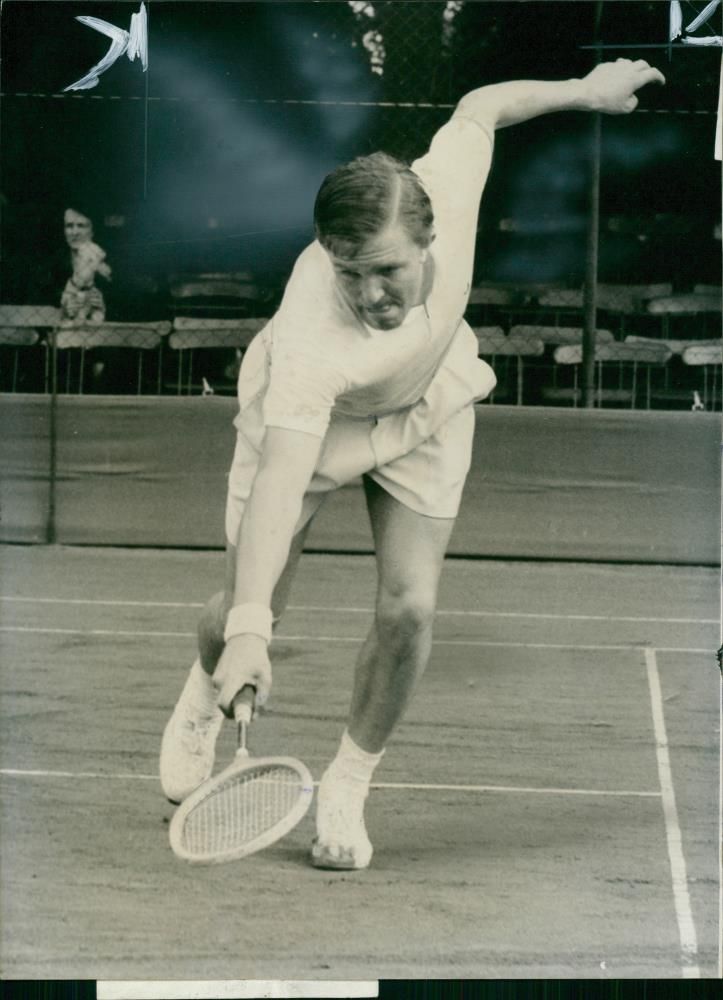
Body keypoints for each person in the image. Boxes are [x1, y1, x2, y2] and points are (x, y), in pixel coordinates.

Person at [160, 59, 665, 869]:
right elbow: (280, 479)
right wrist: (253, 632)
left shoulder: (444, 191)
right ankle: (201, 694)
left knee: (409, 609)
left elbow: (483, 101)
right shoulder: (310, 342)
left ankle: (348, 783)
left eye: (387, 270)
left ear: (426, 239)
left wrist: (584, 92)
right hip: (312, 424)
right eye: (349, 272)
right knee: (247, 603)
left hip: (425, 396)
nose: (370, 295)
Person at [59, 207, 112, 327]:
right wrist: (64, 306)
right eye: (69, 226)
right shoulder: (55, 262)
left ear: (92, 231)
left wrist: (103, 303)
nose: (75, 232)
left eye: (81, 226)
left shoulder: (102, 258)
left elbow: (117, 293)